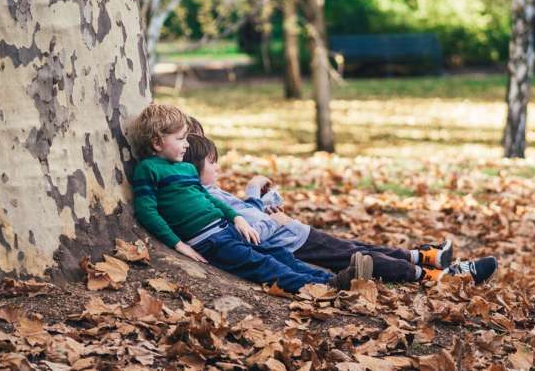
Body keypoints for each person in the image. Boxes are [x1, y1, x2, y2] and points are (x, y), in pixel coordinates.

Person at [183, 132, 499, 286]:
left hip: (294, 233)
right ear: (195, 168)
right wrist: (259, 200)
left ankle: (426, 257)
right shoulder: (205, 197)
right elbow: (250, 228)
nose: (219, 167)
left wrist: (263, 204)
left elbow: (249, 216)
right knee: (363, 258)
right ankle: (442, 277)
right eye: (213, 162)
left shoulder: (208, 191)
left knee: (359, 247)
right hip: (291, 243)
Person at [127, 103, 374, 293]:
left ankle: (332, 279)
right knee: (262, 265)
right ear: (157, 142)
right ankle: (321, 287)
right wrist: (178, 245)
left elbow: (209, 199)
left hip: (228, 229)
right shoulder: (149, 170)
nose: (186, 145)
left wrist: (237, 219)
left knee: (278, 255)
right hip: (210, 241)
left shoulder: (187, 169)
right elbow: (147, 212)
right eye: (180, 139)